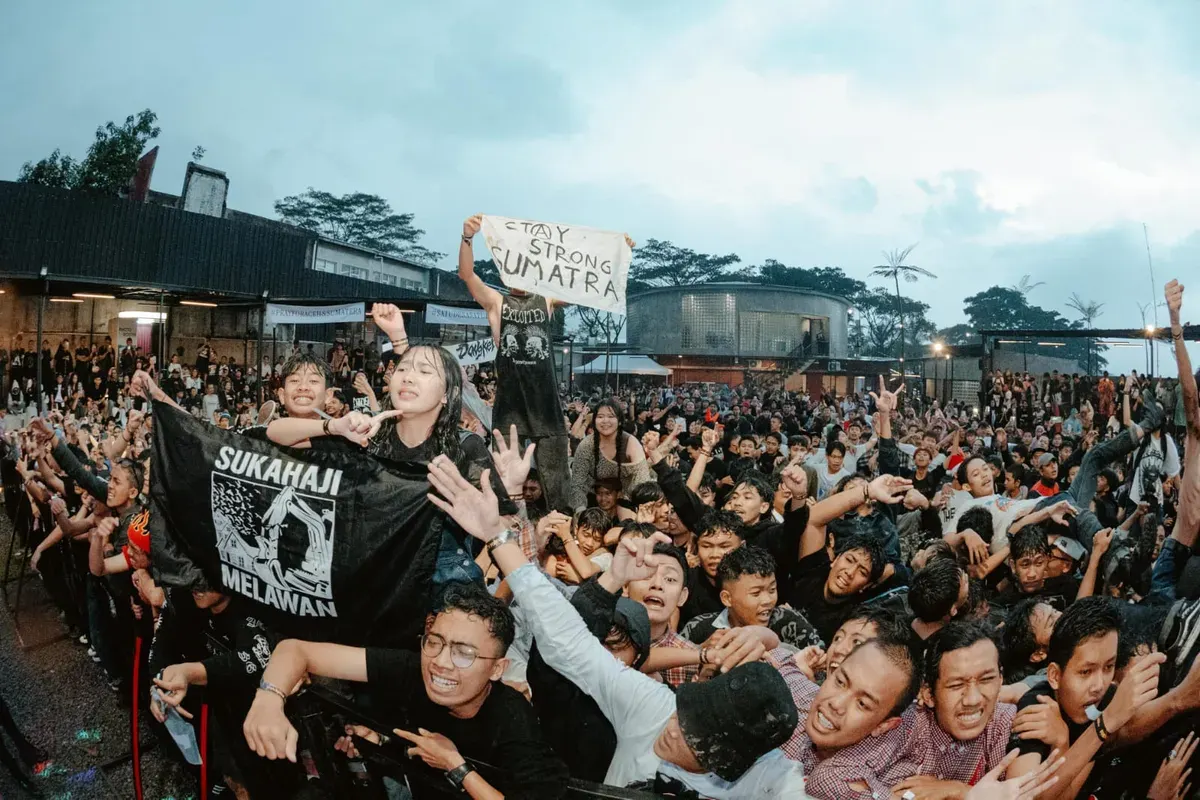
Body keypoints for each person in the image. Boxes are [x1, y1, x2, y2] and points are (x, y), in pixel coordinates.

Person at [423, 457, 805, 796]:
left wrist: (768, 633)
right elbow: (569, 639)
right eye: (685, 713)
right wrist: (498, 537)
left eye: (696, 738)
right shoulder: (654, 708)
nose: (673, 729)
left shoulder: (771, 781)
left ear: (733, 765)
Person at [243, 581, 569, 798]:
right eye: (435, 642)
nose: (441, 662)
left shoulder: (514, 720)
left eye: (464, 653)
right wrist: (269, 699)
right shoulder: (413, 667)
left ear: (497, 669)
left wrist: (455, 766)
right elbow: (296, 651)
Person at [459, 214, 572, 509]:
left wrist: (615, 253)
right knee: (504, 474)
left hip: (545, 404)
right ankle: (504, 523)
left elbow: (584, 288)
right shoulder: (497, 302)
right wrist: (468, 238)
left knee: (557, 476)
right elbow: (467, 275)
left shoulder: (546, 299)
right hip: (510, 404)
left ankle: (560, 527)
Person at [1005, 597, 1165, 798]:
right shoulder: (1038, 705)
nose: (1099, 686)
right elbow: (1022, 796)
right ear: (1055, 676)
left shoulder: (1104, 698)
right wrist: (1099, 728)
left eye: (1108, 667)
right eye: (1086, 672)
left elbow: (1132, 725)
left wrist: (1180, 698)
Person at [887, 621, 1017, 794]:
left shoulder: (1008, 722)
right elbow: (846, 776)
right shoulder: (905, 727)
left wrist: (960, 792)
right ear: (928, 695)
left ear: (1000, 680)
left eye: (986, 680)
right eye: (956, 685)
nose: (973, 699)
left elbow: (1023, 793)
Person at [682, 543, 824, 651]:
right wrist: (700, 652)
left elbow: (824, 669)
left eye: (772, 589)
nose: (767, 600)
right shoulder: (698, 628)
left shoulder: (790, 623)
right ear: (727, 598)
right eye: (756, 593)